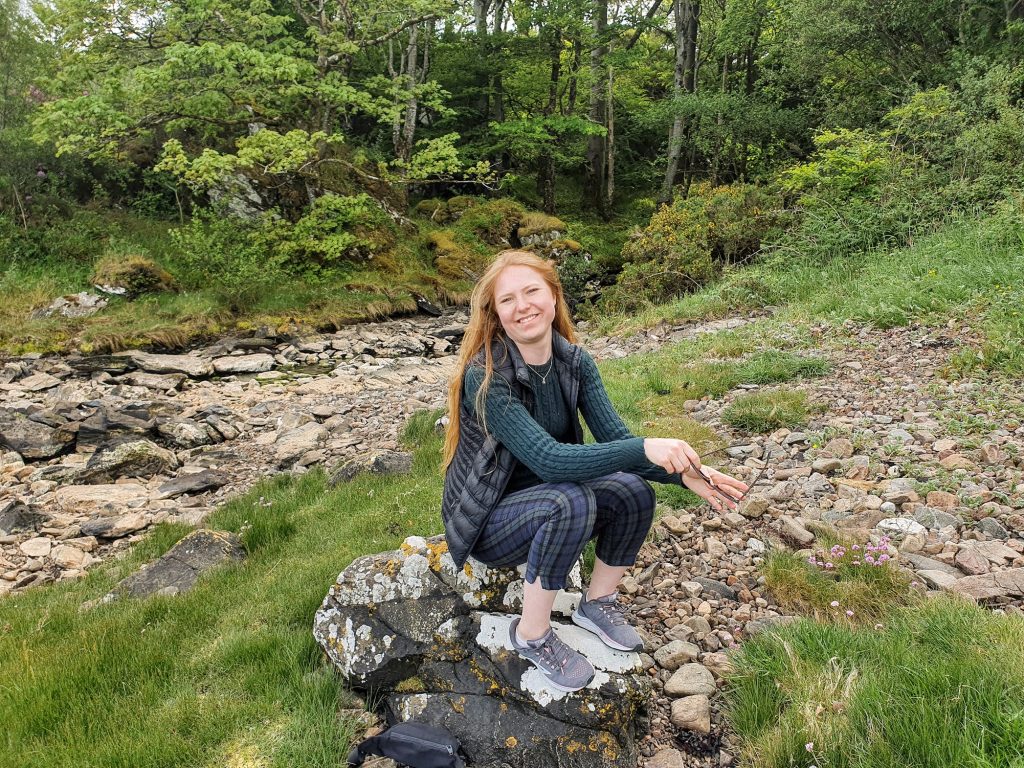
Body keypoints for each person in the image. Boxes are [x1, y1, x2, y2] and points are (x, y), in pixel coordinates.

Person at [441, 250, 748, 692]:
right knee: (571, 499)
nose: (522, 306)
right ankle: (531, 634)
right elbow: (549, 458)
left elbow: (615, 443)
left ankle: (597, 602)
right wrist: (647, 445)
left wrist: (687, 472)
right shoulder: (487, 376)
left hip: (548, 498)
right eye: (507, 300)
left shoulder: (575, 364)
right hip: (489, 521)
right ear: (495, 315)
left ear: (553, 297)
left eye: (531, 291)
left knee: (631, 491)